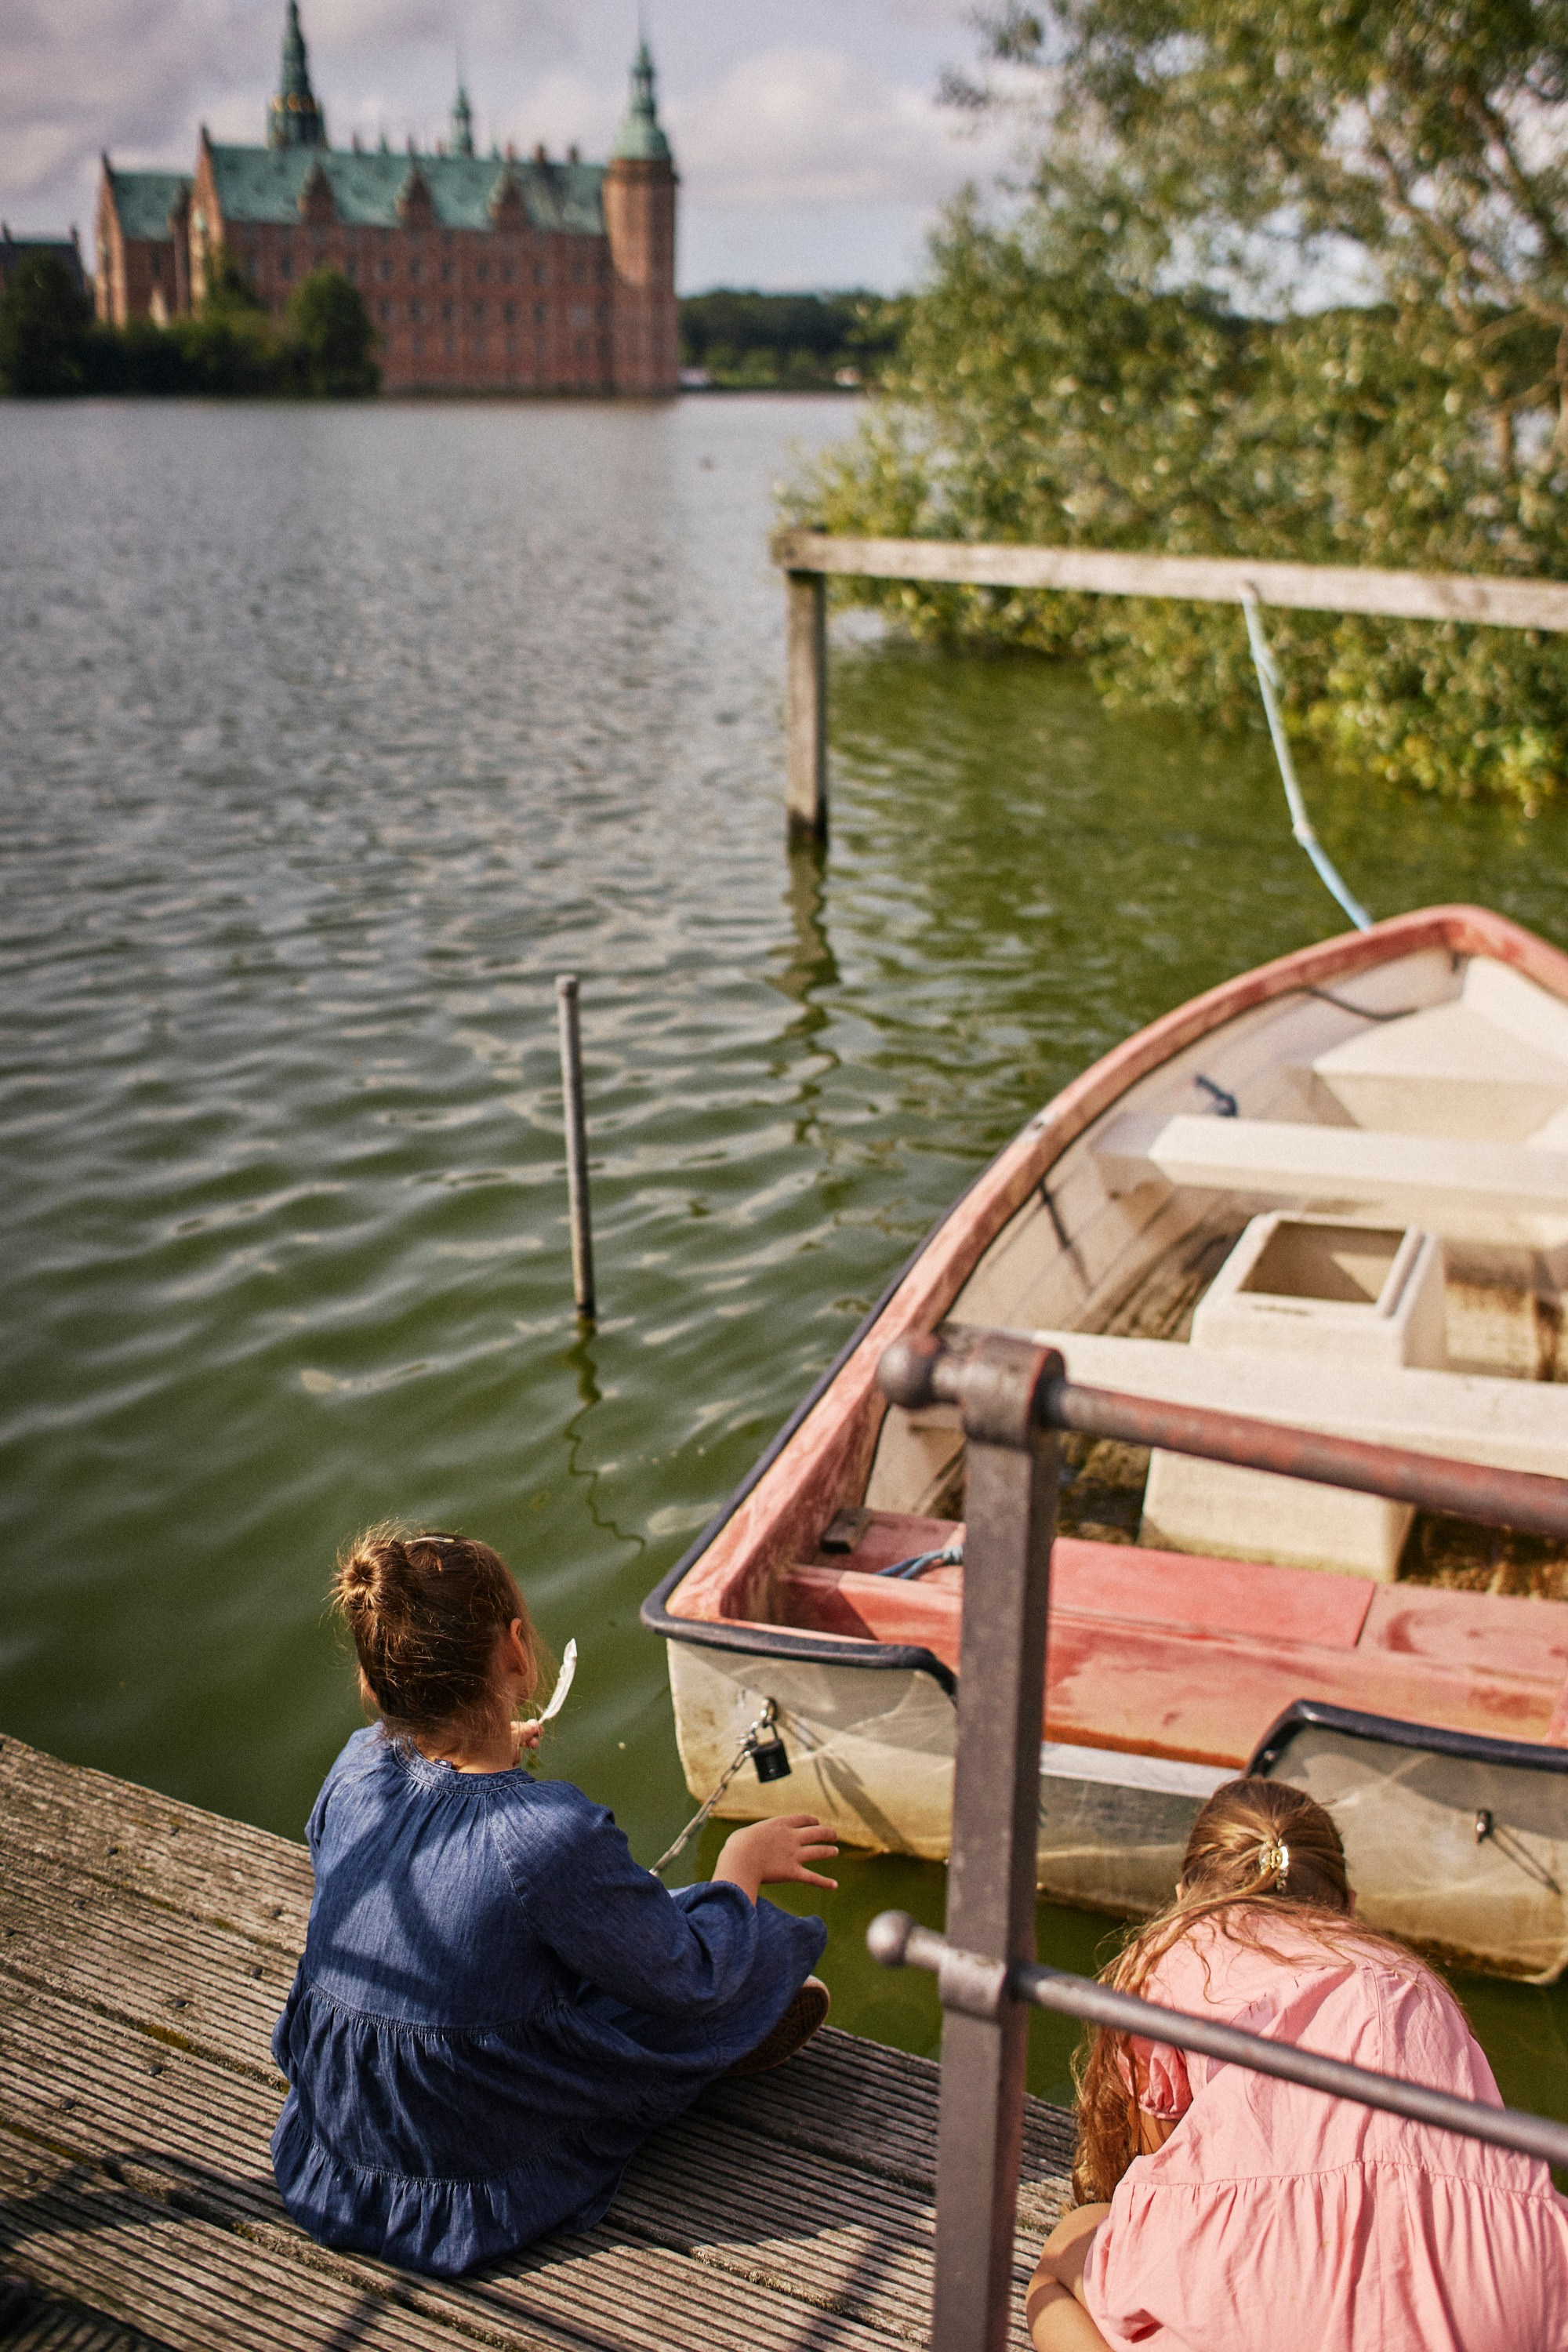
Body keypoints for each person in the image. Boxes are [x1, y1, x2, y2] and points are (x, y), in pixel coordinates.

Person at [271, 1525, 836, 2278]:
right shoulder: (544, 1837)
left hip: (337, 2143)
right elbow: (689, 1973)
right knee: (730, 1939)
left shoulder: (354, 1765)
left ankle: (690, 2032)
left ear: (380, 1684)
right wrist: (744, 1862)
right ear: (515, 1651)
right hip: (470, 2171)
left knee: (561, 1940)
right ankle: (703, 2044)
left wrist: (486, 1740)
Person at [1027, 1777, 1568, 2352]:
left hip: (1271, 2285)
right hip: (1509, 2270)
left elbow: (1150, 2159)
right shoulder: (1412, 1979)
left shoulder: (1179, 1948)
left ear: (1185, 1894)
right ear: (1350, 1908)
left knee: (1065, 2254)